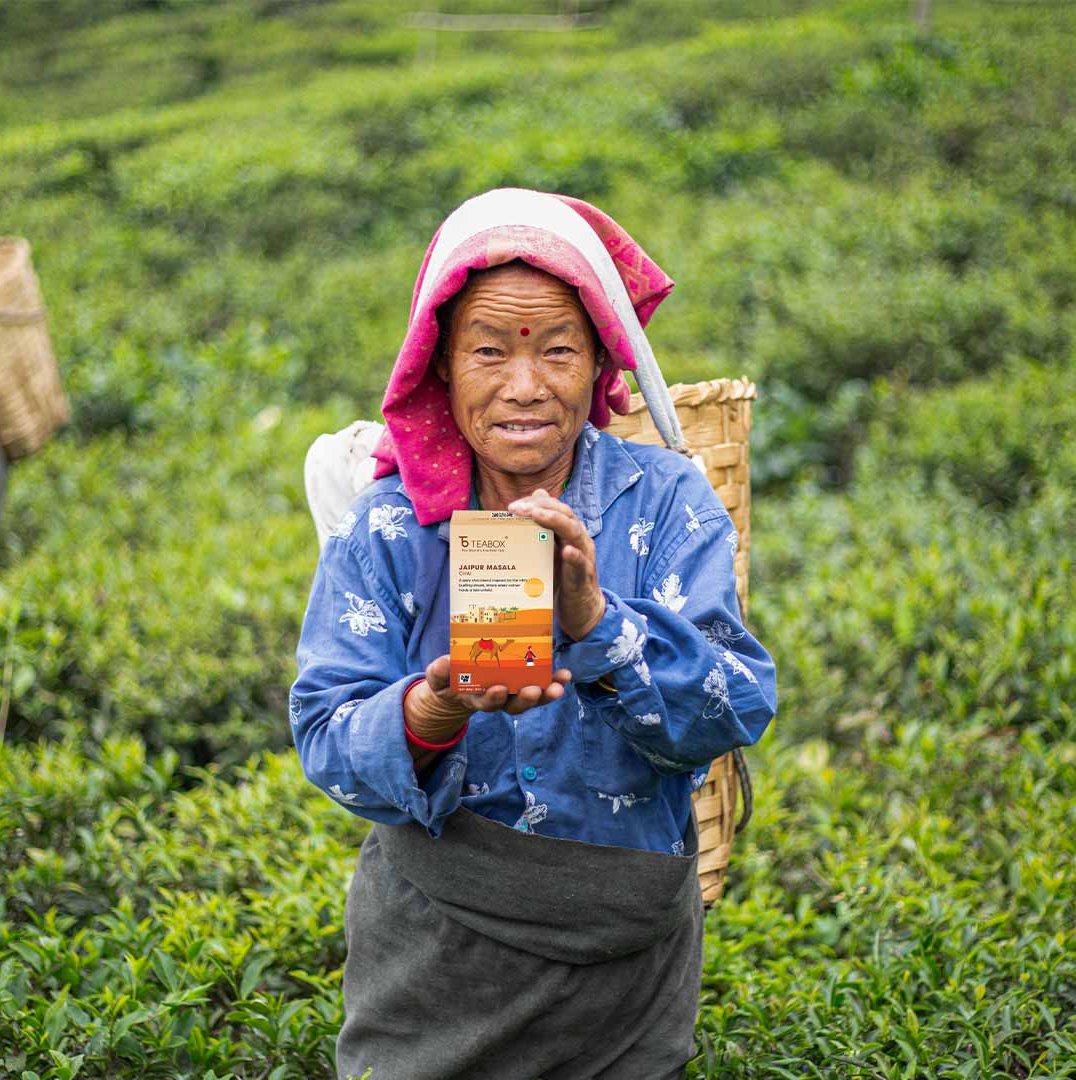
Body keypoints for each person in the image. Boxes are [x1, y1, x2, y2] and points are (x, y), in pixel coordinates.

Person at [289, 187, 777, 1080]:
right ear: (440, 367)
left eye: (557, 350)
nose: (524, 386)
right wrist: (433, 710)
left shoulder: (666, 502)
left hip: (626, 974)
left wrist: (597, 622)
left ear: (598, 363)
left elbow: (735, 706)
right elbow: (324, 734)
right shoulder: (390, 528)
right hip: (437, 959)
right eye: (488, 351)